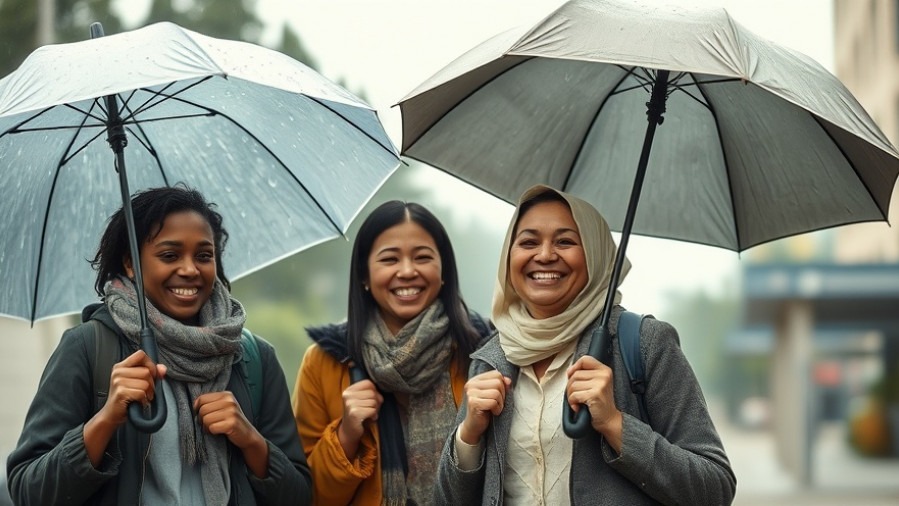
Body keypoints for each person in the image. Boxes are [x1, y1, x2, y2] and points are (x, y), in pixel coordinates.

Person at [7, 186, 312, 505]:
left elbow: (300, 495)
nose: (190, 269)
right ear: (130, 263)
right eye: (169, 255)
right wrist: (106, 420)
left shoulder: (250, 356)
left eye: (204, 255)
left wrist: (251, 441)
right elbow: (29, 491)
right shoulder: (88, 347)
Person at [435, 185, 736, 505]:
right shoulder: (491, 358)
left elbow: (714, 488)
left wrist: (615, 424)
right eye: (528, 242)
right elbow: (446, 501)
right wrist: (468, 436)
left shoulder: (645, 345)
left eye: (565, 241)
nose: (546, 255)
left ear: (594, 253)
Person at [292, 200, 492, 506]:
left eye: (423, 257)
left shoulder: (483, 352)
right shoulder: (325, 361)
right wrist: (346, 435)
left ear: (444, 271)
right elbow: (308, 496)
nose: (408, 271)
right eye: (389, 259)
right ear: (364, 276)